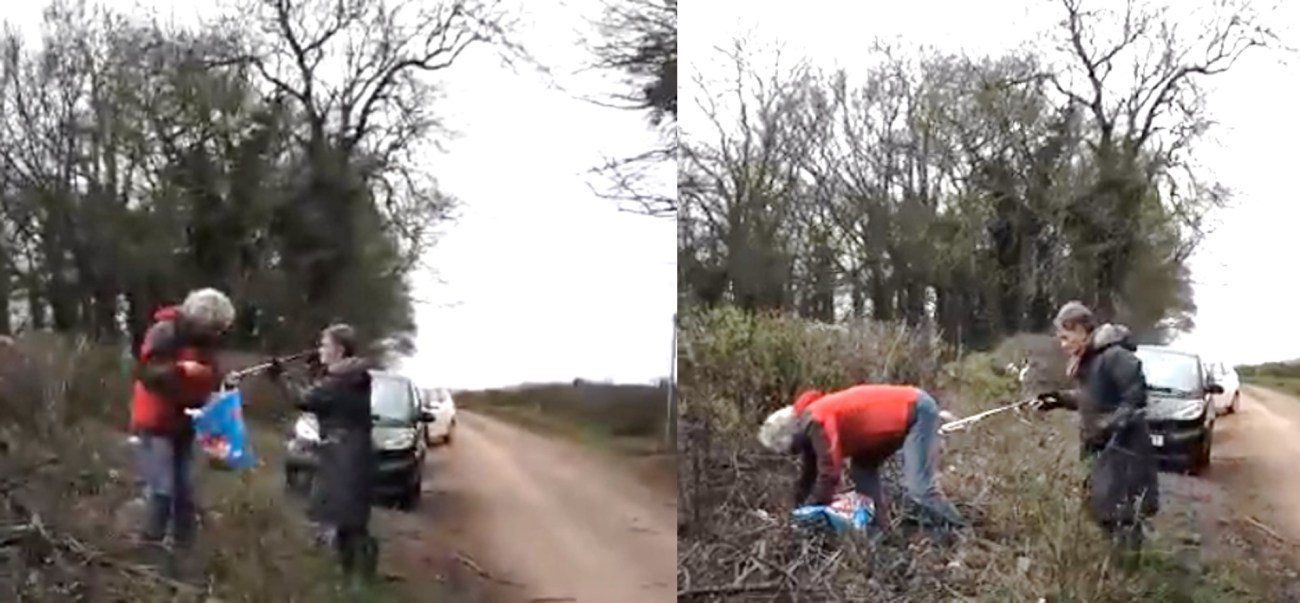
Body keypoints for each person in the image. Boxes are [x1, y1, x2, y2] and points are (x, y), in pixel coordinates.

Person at [1033, 301, 1159, 563]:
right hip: (1099, 448)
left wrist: (1109, 425)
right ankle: (1112, 570)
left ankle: (1128, 573)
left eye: (1065, 337)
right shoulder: (1090, 360)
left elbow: (1135, 401)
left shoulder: (1115, 356)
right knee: (1101, 510)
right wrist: (1058, 399)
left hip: (1123, 452)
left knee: (1122, 515)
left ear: (1081, 329)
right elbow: (1092, 398)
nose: (1062, 343)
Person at [758, 384, 966, 530]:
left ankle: (959, 529)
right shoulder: (810, 422)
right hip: (898, 416)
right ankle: (880, 530)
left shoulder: (816, 420)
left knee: (920, 488)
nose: (793, 453)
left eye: (789, 449)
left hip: (916, 411)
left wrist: (816, 507)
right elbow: (809, 473)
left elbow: (830, 471)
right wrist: (796, 507)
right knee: (863, 470)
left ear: (790, 436)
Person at [130, 288, 235, 559]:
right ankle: (148, 552)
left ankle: (184, 553)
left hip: (185, 422)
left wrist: (221, 381)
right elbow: (146, 373)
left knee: (186, 490)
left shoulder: (204, 342)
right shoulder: (164, 331)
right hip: (156, 422)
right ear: (203, 319)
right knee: (162, 489)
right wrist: (181, 370)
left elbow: (211, 374)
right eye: (216, 328)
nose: (218, 335)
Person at [269, 323, 378, 584]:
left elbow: (305, 400)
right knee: (350, 518)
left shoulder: (341, 380)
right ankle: (355, 576)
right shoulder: (352, 376)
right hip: (354, 449)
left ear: (339, 349)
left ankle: (356, 577)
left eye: (324, 345)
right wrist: (316, 369)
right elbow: (324, 396)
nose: (320, 349)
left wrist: (281, 377)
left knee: (346, 518)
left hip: (345, 453)